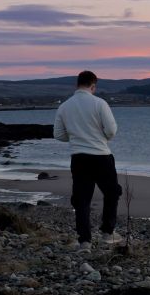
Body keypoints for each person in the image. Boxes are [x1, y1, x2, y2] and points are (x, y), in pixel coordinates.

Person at [53, 70, 123, 252]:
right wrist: (99, 137)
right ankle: (108, 232)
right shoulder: (100, 103)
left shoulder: (65, 106)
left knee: (82, 200)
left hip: (79, 158)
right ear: (93, 86)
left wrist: (77, 138)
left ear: (77, 85)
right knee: (112, 193)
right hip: (101, 156)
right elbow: (111, 131)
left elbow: (58, 135)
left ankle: (85, 242)